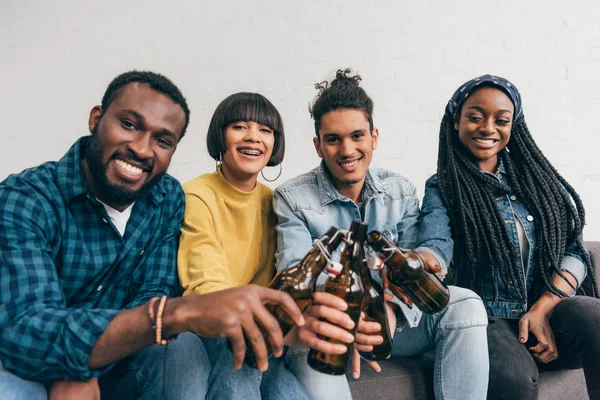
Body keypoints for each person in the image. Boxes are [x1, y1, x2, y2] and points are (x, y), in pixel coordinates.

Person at [0, 71, 308, 400]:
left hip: (128, 351)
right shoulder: (26, 197)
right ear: (96, 119)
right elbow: (25, 327)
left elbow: (151, 294)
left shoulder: (165, 198)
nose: (142, 149)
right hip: (28, 361)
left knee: (189, 352)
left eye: (162, 140)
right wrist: (76, 367)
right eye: (129, 124)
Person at [274, 68, 490, 400]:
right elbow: (296, 277)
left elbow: (412, 275)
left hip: (389, 324)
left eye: (357, 136)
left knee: (466, 304)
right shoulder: (292, 199)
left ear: (374, 137)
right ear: (318, 146)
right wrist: (353, 313)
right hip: (326, 329)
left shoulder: (400, 191)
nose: (347, 150)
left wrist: (389, 311)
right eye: (333, 139)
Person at [415, 74, 600, 399]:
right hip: (489, 322)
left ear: (514, 125)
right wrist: (425, 262)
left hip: (550, 315)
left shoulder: (538, 180)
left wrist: (544, 306)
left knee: (594, 315)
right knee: (511, 377)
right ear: (456, 121)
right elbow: (435, 245)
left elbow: (576, 251)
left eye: (501, 120)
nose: (488, 127)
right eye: (475, 117)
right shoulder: (443, 187)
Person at [177, 92, 358, 399]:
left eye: (265, 130)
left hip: (265, 336)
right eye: (239, 127)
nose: (253, 138)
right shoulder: (196, 195)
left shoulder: (276, 201)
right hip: (213, 330)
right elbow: (206, 285)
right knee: (244, 344)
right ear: (220, 135)